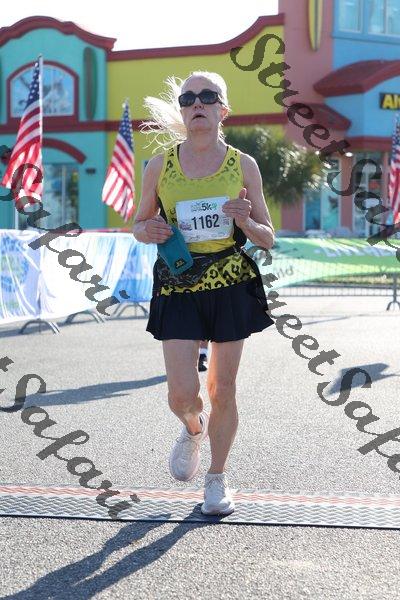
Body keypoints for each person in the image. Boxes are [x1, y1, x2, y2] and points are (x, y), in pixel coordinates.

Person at [132, 70, 275, 516]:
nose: (197, 103)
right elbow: (139, 224)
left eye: (208, 97)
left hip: (230, 282)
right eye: (189, 98)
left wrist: (245, 220)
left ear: (222, 110)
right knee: (181, 393)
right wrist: (150, 230)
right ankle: (193, 428)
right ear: (182, 110)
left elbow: (268, 237)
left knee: (222, 388)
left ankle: (217, 479)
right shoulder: (159, 166)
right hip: (179, 283)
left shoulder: (243, 164)